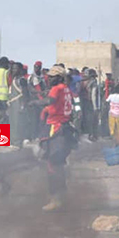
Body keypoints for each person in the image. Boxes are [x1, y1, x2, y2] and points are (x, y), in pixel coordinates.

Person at [30, 65, 75, 211]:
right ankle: (59, 195)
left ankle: (56, 197)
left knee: (53, 162)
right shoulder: (66, 89)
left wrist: (35, 102)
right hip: (64, 126)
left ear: (59, 77)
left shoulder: (57, 89)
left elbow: (50, 101)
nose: (49, 78)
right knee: (57, 163)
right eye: (49, 76)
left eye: (52, 76)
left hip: (56, 128)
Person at [8, 61, 29, 146]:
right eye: (13, 69)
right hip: (13, 104)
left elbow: (25, 93)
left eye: (16, 68)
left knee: (18, 123)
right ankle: (12, 141)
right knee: (12, 123)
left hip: (19, 103)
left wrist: (23, 105)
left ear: (20, 70)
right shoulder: (14, 79)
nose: (13, 70)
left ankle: (17, 142)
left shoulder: (22, 80)